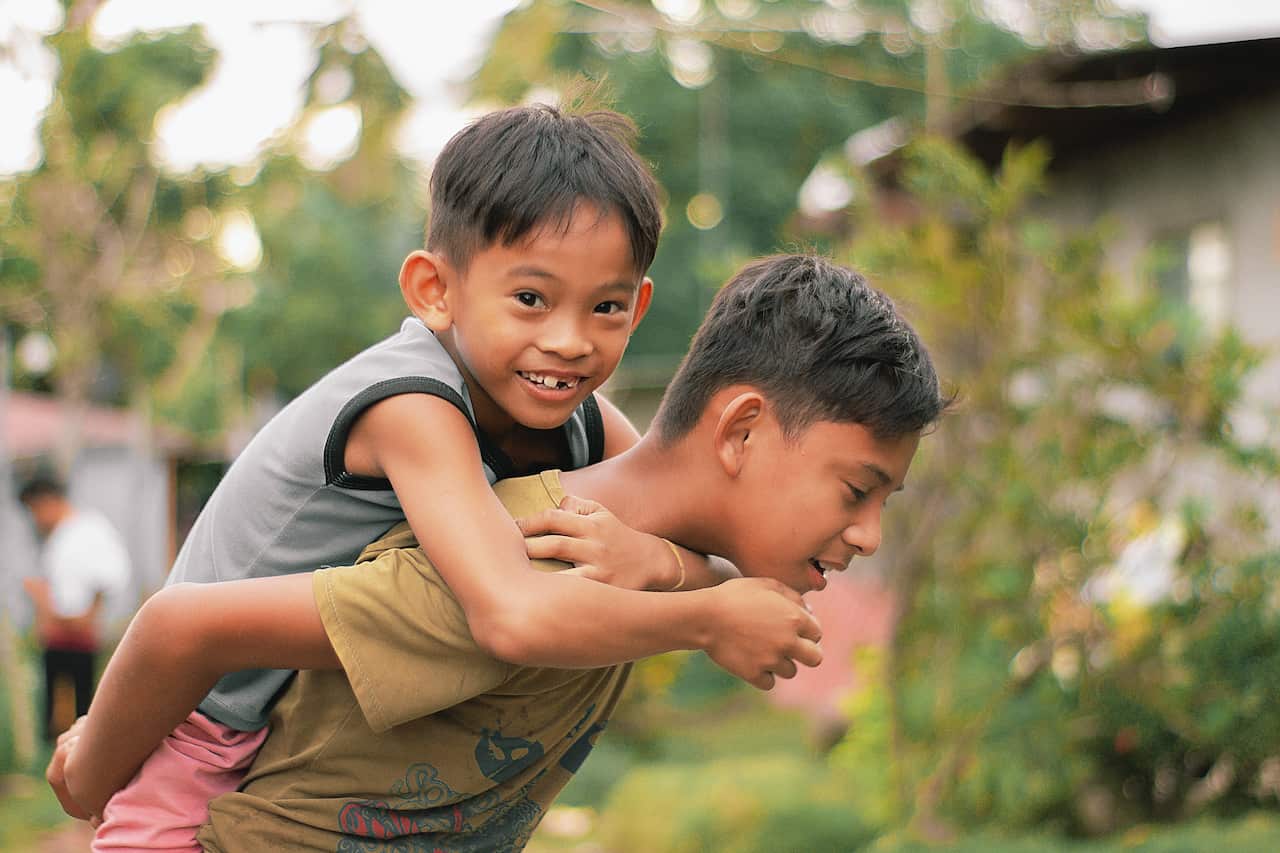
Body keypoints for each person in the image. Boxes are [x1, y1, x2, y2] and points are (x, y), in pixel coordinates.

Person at [70, 103, 819, 852]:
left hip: (295, 737)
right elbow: (511, 614)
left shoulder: (576, 416)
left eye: (606, 308)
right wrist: (709, 614)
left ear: (640, 306)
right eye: (531, 299)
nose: (568, 341)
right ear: (435, 290)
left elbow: (670, 492)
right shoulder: (412, 406)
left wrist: (661, 560)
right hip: (200, 727)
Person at [51, 254, 948, 850]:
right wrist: (85, 773)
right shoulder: (529, 549)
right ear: (743, 430)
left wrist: (678, 575)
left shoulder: (624, 545)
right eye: (855, 489)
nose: (868, 532)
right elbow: (183, 626)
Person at [19, 474, 130, 742]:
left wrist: (89, 613)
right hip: (56, 633)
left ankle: (81, 751)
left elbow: (110, 574)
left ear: (47, 501)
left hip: (80, 634)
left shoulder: (89, 529)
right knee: (52, 698)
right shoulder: (56, 537)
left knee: (83, 700)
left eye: (35, 510)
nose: (35, 519)